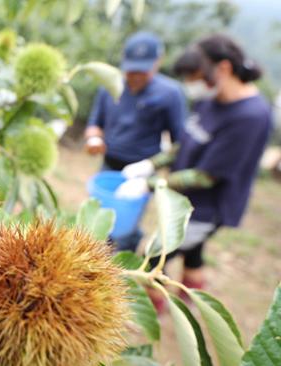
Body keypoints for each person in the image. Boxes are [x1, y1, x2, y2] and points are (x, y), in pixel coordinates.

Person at [116, 34, 273, 306]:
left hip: (207, 207)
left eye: (196, 77)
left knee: (154, 258)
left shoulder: (251, 116)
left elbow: (206, 176)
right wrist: (152, 163)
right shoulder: (213, 98)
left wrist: (151, 183)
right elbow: (186, 140)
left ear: (223, 68)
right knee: (193, 252)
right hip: (185, 197)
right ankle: (190, 300)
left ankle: (150, 310)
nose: (191, 86)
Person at [85, 31, 187, 251]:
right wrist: (93, 138)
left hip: (142, 170)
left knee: (127, 227)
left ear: (157, 63)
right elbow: (95, 122)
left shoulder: (170, 94)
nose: (136, 75)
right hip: (109, 165)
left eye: (143, 70)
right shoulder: (109, 85)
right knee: (101, 223)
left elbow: (180, 142)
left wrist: (165, 173)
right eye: (132, 69)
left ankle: (124, 264)